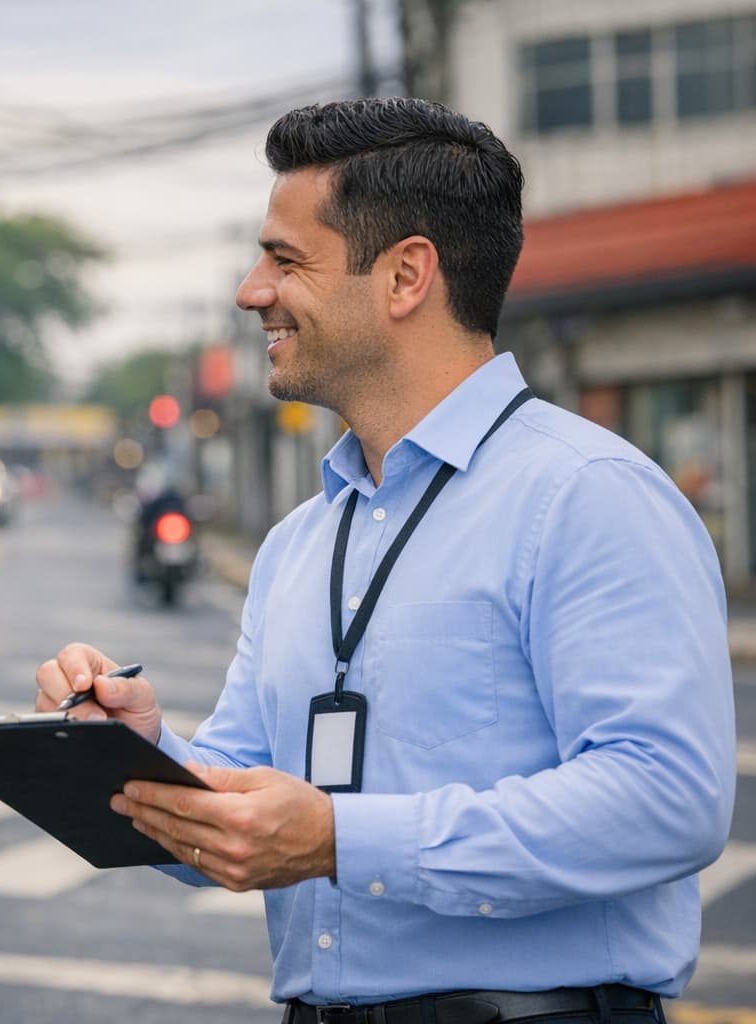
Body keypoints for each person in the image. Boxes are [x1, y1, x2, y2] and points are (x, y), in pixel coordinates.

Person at [37, 97, 736, 1023]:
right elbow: (241, 817)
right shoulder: (300, 542)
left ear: (407, 275)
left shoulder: (588, 494)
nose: (251, 291)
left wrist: (340, 840)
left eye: (285, 260)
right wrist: (136, 752)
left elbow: (667, 800)